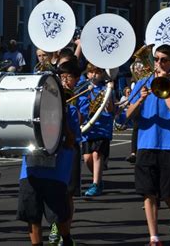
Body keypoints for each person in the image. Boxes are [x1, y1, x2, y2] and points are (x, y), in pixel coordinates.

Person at [127, 44, 170, 246]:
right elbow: (128, 115)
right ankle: (154, 238)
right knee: (148, 192)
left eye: (164, 60)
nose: (159, 63)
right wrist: (141, 99)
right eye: (156, 59)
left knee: (169, 193)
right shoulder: (142, 82)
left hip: (169, 144)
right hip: (146, 143)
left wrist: (162, 82)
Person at [16, 80, 78, 246]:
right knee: (32, 216)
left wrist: (61, 117)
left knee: (58, 216)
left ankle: (66, 239)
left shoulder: (70, 110)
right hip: (30, 168)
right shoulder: (30, 109)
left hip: (55, 171)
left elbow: (71, 141)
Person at [47, 61, 85, 245]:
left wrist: (72, 102)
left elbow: (81, 119)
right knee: (53, 190)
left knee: (68, 193)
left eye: (68, 77)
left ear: (77, 79)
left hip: (71, 147)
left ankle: (66, 232)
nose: (64, 81)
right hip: (54, 145)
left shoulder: (81, 95)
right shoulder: (52, 93)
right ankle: (54, 225)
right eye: (61, 77)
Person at [80, 63, 114, 197]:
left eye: (97, 72)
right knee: (87, 158)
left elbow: (111, 109)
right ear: (87, 74)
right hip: (88, 127)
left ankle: (95, 184)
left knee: (96, 154)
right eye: (91, 72)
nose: (94, 74)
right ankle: (98, 179)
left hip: (103, 127)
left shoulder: (107, 88)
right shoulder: (83, 88)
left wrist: (110, 93)